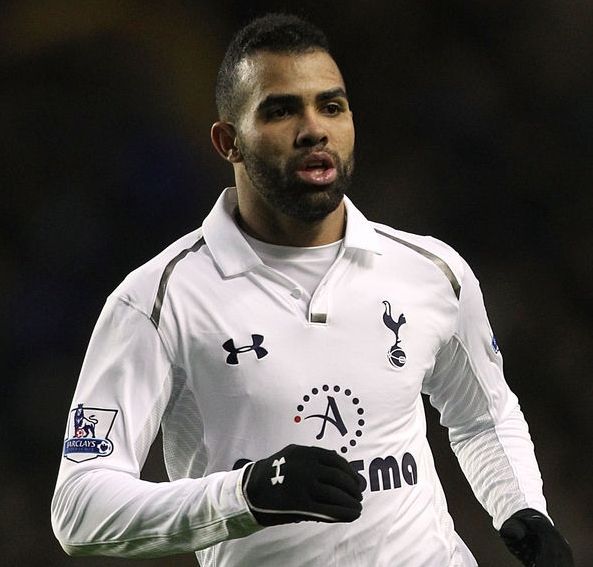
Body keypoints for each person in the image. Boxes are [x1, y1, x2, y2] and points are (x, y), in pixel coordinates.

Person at [51, 13, 574, 567]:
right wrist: (245, 494)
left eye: (331, 106)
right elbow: (80, 508)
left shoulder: (432, 270)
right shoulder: (157, 300)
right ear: (228, 142)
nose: (314, 129)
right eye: (281, 110)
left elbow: (483, 415)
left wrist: (522, 506)